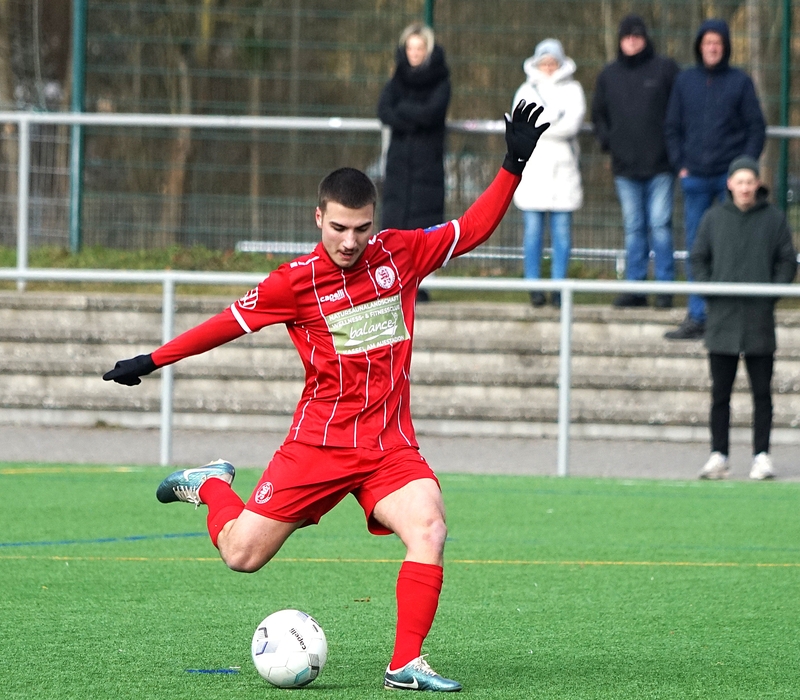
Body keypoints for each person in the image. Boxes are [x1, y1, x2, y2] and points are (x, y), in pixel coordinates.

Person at [102, 102, 549, 693]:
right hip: (318, 445)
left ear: (374, 221)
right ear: (319, 218)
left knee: (430, 528)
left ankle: (406, 664)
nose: (350, 240)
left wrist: (512, 166)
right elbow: (226, 324)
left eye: (361, 228)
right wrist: (152, 360)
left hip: (389, 448)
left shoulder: (400, 254)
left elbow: (472, 230)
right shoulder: (295, 282)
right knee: (241, 556)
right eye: (338, 227)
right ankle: (209, 484)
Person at [691, 156, 797, 480]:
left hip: (758, 321)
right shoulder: (713, 218)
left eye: (750, 181)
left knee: (762, 394)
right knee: (720, 394)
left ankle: (761, 456)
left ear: (758, 184)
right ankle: (718, 455)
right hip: (722, 321)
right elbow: (699, 259)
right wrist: (710, 290)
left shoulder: (774, 219)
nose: (745, 188)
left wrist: (771, 294)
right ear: (730, 184)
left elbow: (787, 261)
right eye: (740, 182)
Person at [663, 18, 766, 340]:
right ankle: (697, 315)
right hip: (694, 178)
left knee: (733, 247)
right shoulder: (685, 81)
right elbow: (672, 127)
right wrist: (680, 164)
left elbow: (756, 127)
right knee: (697, 248)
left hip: (727, 180)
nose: (712, 48)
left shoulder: (740, 82)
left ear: (725, 47)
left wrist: (743, 170)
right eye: (707, 42)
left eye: (717, 43)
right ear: (699, 46)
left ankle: (729, 314)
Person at [591, 14, 679, 309]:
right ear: (620, 40)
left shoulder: (665, 69)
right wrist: (609, 142)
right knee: (634, 228)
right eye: (627, 36)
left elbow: (679, 110)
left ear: (645, 38)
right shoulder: (608, 75)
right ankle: (635, 287)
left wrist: (673, 149)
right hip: (625, 168)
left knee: (660, 225)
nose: (632, 41)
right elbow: (598, 115)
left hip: (661, 166)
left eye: (637, 36)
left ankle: (665, 288)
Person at [377, 22, 451, 303]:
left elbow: (432, 113)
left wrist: (404, 113)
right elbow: (384, 111)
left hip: (427, 166)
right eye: (410, 47)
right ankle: (392, 283)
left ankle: (420, 284)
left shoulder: (441, 80)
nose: (414, 53)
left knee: (424, 229)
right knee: (395, 226)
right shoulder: (397, 79)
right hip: (398, 166)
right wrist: (414, 117)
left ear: (428, 50)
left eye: (419, 48)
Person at [511, 38, 585, 308]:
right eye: (545, 62)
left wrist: (540, 127)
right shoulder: (525, 89)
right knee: (532, 233)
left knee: (562, 235)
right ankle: (534, 287)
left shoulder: (574, 90)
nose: (549, 67)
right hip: (533, 172)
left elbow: (572, 124)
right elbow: (520, 124)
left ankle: (558, 288)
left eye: (553, 62)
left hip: (563, 174)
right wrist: (555, 121)